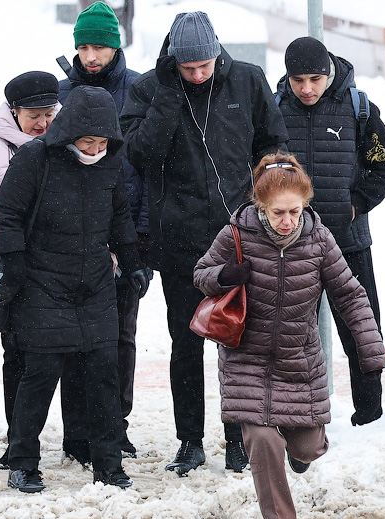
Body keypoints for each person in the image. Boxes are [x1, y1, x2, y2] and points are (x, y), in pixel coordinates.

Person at [193, 152, 385, 519]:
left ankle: (299, 458)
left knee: (308, 447)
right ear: (260, 206)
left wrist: (370, 352)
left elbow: (350, 295)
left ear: (305, 205)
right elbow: (201, 274)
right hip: (246, 357)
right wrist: (225, 275)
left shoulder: (318, 238)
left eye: (294, 212)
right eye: (278, 213)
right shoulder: (237, 234)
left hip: (300, 361)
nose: (287, 221)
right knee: (262, 441)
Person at [120, 11, 288, 475]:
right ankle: (190, 441)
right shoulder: (151, 89)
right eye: (188, 68)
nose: (198, 75)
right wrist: (169, 98)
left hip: (239, 239)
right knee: (186, 342)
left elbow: (274, 145)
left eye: (205, 67)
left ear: (217, 53)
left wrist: (265, 201)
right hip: (178, 240)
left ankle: (238, 441)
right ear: (174, 62)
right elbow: (139, 153)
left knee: (239, 344)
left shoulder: (249, 81)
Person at [0, 85, 146, 493]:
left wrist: (132, 264)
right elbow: (7, 216)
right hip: (42, 283)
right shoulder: (34, 158)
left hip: (94, 284)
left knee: (103, 375)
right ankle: (23, 461)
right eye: (86, 141)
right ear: (68, 134)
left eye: (101, 142)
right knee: (39, 374)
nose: (94, 149)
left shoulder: (110, 163)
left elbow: (119, 219)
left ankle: (108, 465)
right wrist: (16, 267)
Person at [0, 71, 94, 470]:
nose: (42, 123)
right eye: (33, 114)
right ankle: (17, 442)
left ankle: (77, 440)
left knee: (73, 355)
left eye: (49, 113)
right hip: (13, 271)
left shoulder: (69, 144)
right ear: (13, 111)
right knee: (16, 356)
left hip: (63, 268)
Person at [275, 37, 385, 427]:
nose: (307, 88)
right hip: (291, 248)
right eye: (298, 80)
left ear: (329, 72)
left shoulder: (359, 108)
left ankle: (370, 416)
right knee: (292, 339)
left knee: (362, 333)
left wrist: (355, 204)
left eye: (315, 78)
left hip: (348, 244)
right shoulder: (273, 111)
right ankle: (299, 419)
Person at [58, 0, 148, 459]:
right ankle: (77, 432)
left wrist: (139, 235)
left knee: (121, 336)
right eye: (85, 47)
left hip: (125, 233)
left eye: (100, 47)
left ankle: (116, 424)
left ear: (115, 46)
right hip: (68, 239)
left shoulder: (138, 91)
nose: (92, 56)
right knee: (72, 337)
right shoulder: (61, 92)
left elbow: (149, 167)